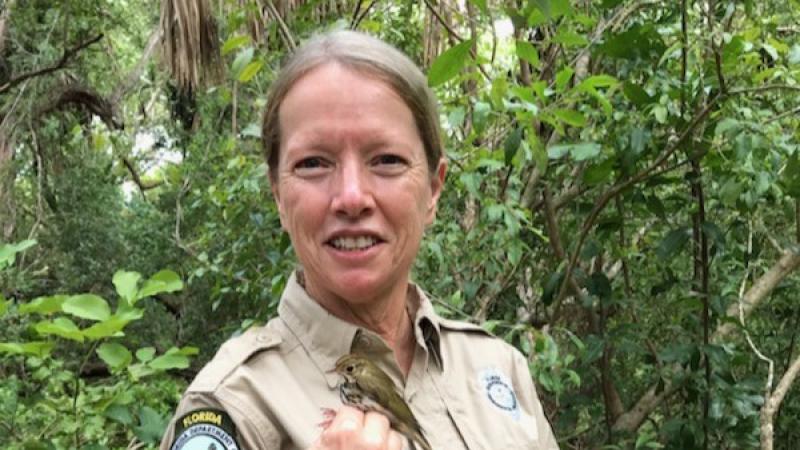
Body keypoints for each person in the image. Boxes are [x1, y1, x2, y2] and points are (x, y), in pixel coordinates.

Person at [160, 29, 559, 450]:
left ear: (434, 190)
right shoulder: (233, 408)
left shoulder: (498, 367)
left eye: (386, 160)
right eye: (313, 163)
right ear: (278, 195)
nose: (351, 197)